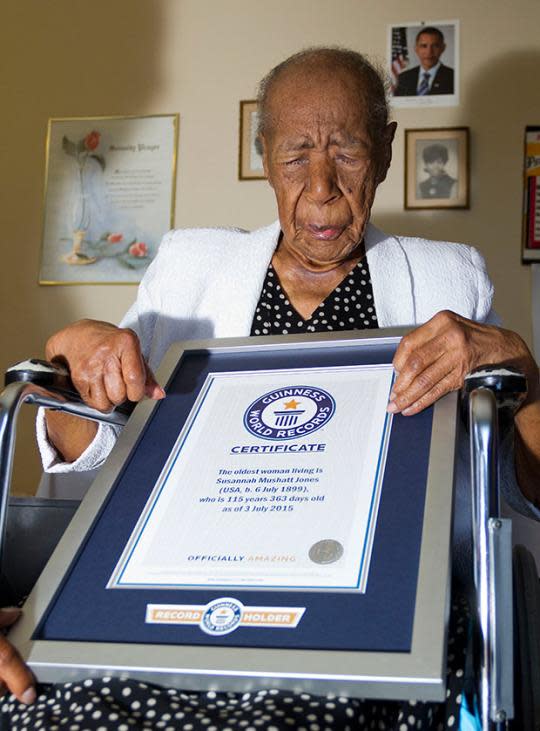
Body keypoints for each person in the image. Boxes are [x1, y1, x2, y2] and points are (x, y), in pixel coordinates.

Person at [2, 46, 540, 730]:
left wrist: (521, 364)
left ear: (385, 148)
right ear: (262, 155)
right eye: (295, 155)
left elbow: (525, 487)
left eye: (346, 152)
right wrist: (75, 362)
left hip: (368, 618)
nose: (321, 185)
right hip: (182, 604)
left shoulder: (448, 279)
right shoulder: (188, 274)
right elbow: (97, 457)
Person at [394, 27, 454, 96]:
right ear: (416, 48)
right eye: (424, 46)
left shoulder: (452, 77)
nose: (429, 52)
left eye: (435, 46)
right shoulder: (404, 78)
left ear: (443, 48)